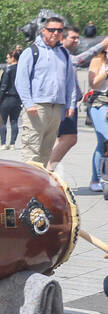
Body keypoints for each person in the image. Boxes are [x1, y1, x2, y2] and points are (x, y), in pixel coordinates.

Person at [16, 15, 78, 167]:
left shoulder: (63, 53)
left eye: (59, 30)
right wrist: (29, 103)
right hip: (37, 106)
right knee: (32, 149)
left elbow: (70, 82)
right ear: (43, 30)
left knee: (46, 151)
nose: (55, 33)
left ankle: (40, 187)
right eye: (51, 30)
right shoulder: (32, 51)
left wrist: (71, 105)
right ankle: (30, 188)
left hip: (57, 107)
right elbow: (21, 80)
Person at [47, 25, 105, 174]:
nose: (77, 41)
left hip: (67, 103)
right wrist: (102, 45)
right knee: (69, 138)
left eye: (78, 38)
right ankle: (48, 171)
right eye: (73, 38)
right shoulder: (62, 55)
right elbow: (80, 59)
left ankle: (48, 170)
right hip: (65, 104)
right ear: (62, 38)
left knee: (64, 139)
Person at [86, 47, 107, 193]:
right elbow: (94, 83)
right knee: (105, 141)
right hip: (99, 103)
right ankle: (96, 178)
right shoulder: (98, 61)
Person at [0, 50, 23, 150]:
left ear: (12, 58)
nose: (6, 60)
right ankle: (12, 144)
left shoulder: (8, 70)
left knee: (2, 121)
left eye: (8, 58)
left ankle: (3, 144)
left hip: (7, 98)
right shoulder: (21, 69)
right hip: (17, 98)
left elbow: (4, 85)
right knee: (14, 121)